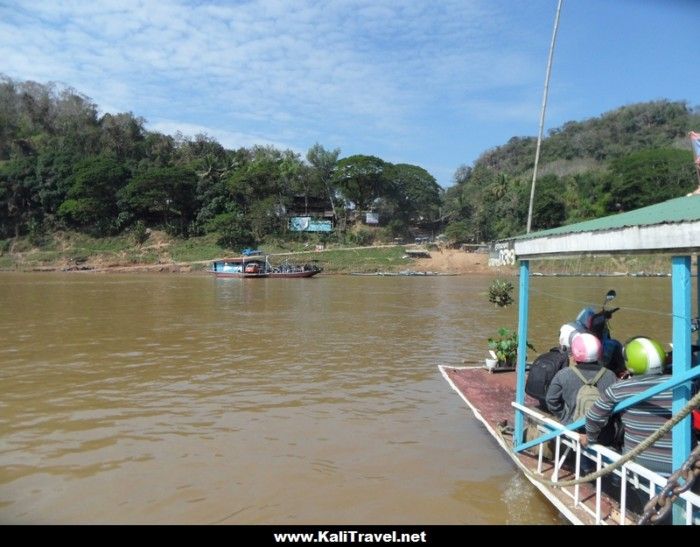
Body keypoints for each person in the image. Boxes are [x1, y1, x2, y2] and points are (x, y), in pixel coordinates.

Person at [582, 337, 679, 476]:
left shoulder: (619, 389)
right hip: (683, 465)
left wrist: (590, 439)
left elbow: (593, 417)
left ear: (629, 363)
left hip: (640, 464)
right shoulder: (683, 384)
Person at [545, 332, 617, 426]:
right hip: (601, 431)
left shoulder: (563, 374)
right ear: (599, 353)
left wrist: (564, 416)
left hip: (572, 429)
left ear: (574, 352)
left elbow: (551, 400)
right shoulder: (610, 375)